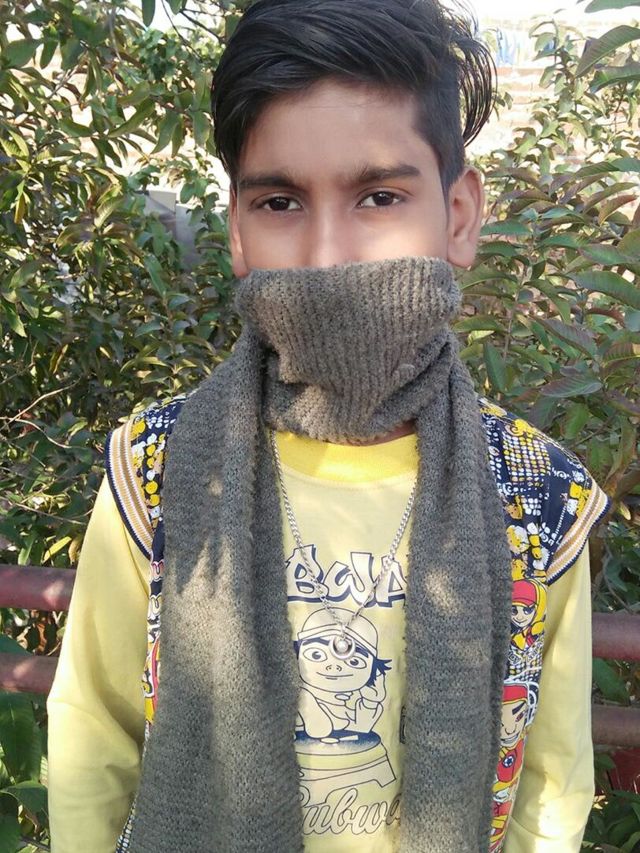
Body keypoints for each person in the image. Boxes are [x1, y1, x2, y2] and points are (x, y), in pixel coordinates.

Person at [46, 1, 610, 851]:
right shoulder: (155, 471)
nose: (326, 257)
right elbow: (94, 732)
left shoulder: (541, 499)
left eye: (379, 196)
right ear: (237, 231)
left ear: (459, 217)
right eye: (280, 202)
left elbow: (551, 786)